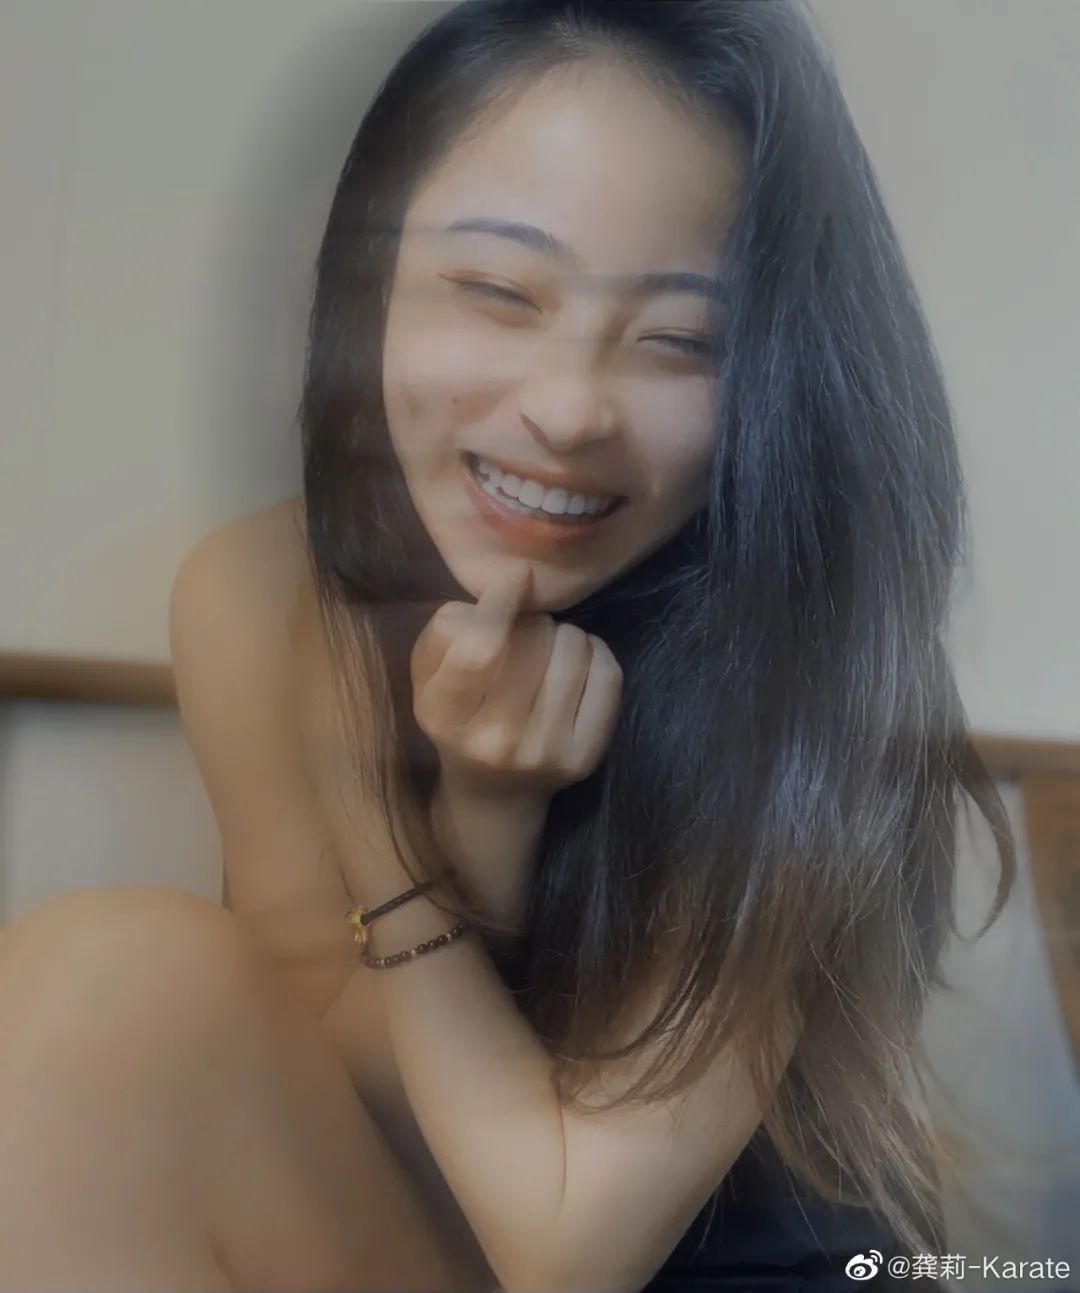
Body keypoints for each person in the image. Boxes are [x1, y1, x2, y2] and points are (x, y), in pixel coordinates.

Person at [0, 2, 1017, 1289]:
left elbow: (568, 1249)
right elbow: (343, 1100)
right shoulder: (261, 598)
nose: (568, 410)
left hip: (705, 1268)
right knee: (115, 981)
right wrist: (480, 821)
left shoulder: (802, 657)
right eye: (496, 291)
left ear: (770, 378)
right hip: (415, 1232)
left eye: (680, 341)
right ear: (371, 285)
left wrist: (383, 821)